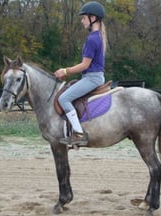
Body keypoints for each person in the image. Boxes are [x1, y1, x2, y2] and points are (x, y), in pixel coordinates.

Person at [54, 1, 107, 146]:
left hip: (92, 78)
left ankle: (78, 134)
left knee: (63, 99)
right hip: (92, 76)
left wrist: (65, 70)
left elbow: (85, 65)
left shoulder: (92, 39)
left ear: (93, 18)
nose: (82, 20)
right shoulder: (98, 37)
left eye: (84, 17)